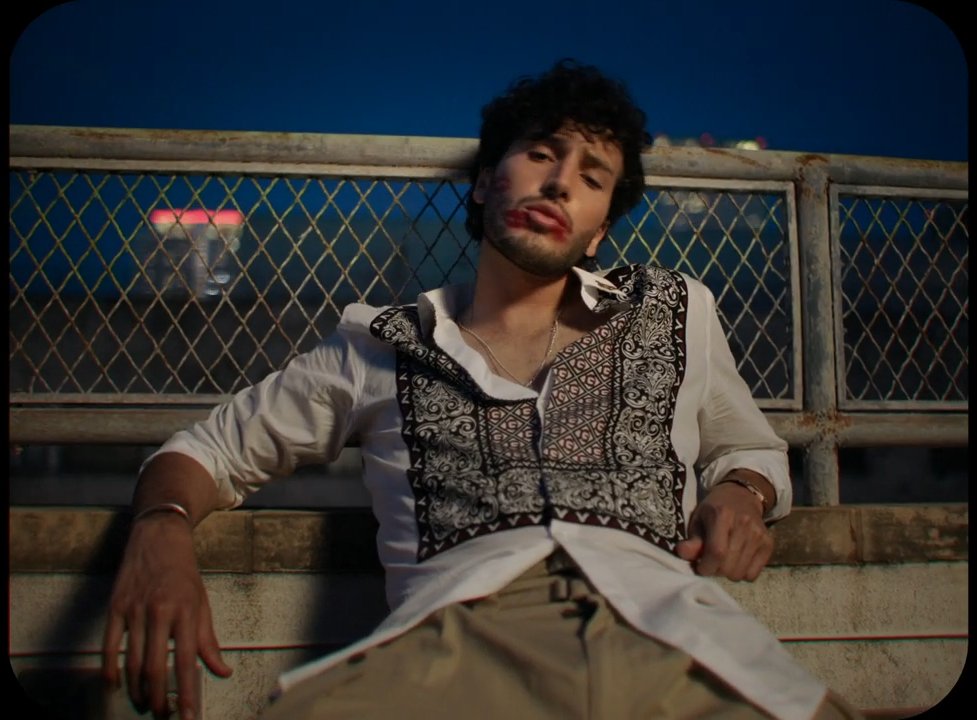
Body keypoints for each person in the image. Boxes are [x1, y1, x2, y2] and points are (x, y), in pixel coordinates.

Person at [102, 60, 862, 720]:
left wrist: (741, 495)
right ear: (482, 183)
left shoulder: (673, 308)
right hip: (452, 645)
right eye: (540, 155)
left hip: (672, 634)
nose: (559, 183)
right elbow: (204, 452)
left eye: (591, 177)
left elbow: (748, 447)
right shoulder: (379, 345)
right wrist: (160, 532)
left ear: (599, 230)